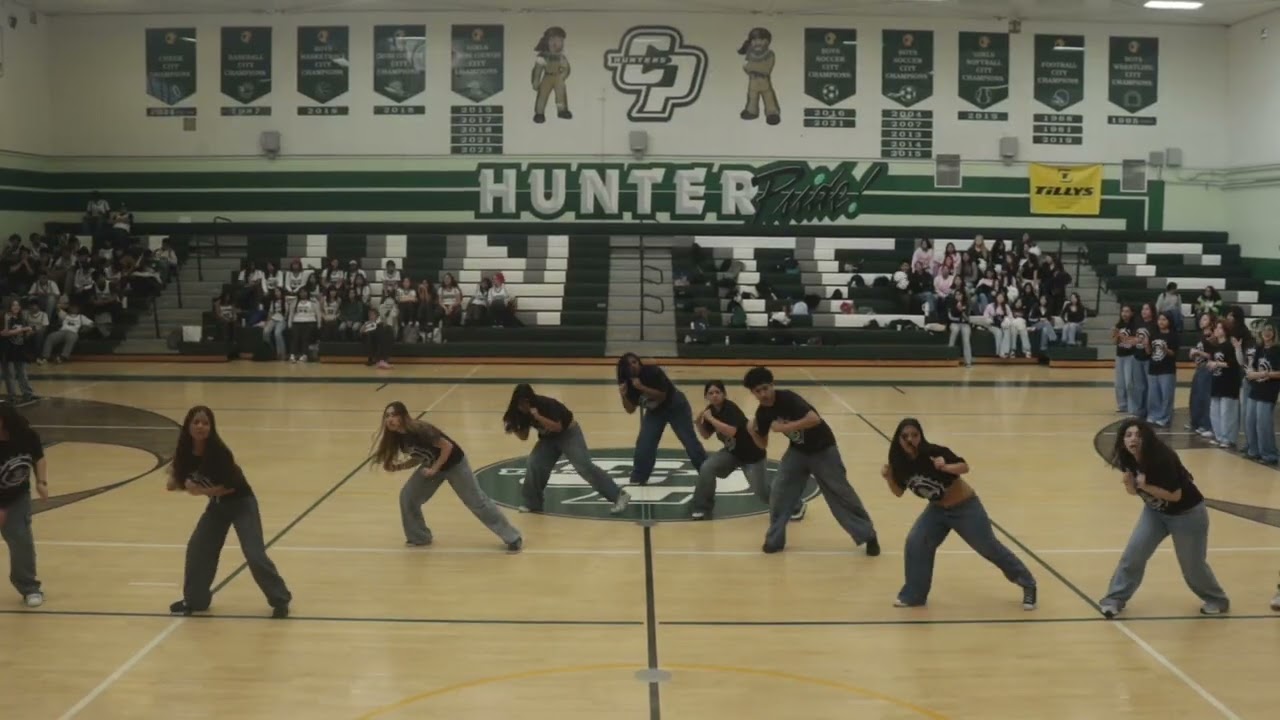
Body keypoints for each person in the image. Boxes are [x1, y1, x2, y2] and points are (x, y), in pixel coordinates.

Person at [880, 418, 1036, 609]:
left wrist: (945, 467)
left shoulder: (933, 452)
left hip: (965, 507)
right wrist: (889, 477)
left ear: (921, 436)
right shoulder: (901, 464)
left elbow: (964, 467)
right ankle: (914, 595)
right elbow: (898, 492)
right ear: (898, 439)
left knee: (988, 547)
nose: (911, 439)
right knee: (916, 542)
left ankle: (1028, 584)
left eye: (915, 435)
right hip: (937, 510)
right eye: (905, 436)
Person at [167, 406, 292, 618]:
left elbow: (229, 487)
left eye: (205, 423)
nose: (200, 426)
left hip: (241, 503)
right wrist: (183, 482)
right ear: (188, 425)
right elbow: (172, 484)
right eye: (196, 422)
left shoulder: (219, 453)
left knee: (254, 554)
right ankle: (196, 600)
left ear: (211, 427)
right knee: (197, 549)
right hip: (217, 507)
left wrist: (198, 490)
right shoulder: (184, 453)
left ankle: (280, 599)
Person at [1098, 419, 1229, 618]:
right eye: (1128, 435)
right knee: (1134, 554)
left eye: (1138, 435)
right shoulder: (1127, 457)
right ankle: (1115, 598)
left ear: (1147, 438)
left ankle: (1217, 599)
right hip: (1155, 513)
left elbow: (1176, 495)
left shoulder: (1162, 458)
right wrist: (1129, 484)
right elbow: (1134, 491)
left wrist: (1145, 486)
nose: (1133, 439)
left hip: (1188, 515)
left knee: (1192, 565)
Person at [742, 366, 879, 555]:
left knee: (840, 494)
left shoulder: (788, 398)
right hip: (798, 452)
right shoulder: (762, 413)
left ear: (772, 385)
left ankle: (868, 536)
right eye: (758, 391)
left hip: (823, 450)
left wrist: (786, 427)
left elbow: (814, 418)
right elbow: (763, 444)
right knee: (779, 492)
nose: (763, 394)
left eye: (766, 388)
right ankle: (774, 540)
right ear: (753, 393)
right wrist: (752, 431)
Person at [373, 401, 523, 553]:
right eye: (387, 416)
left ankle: (513, 537)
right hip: (432, 464)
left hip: (454, 463)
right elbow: (420, 455)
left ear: (403, 416)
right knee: (408, 496)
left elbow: (447, 446)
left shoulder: (420, 430)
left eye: (394, 415)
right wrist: (399, 467)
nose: (390, 419)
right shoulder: (399, 438)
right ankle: (419, 537)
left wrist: (434, 469)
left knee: (477, 502)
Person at [503, 383, 631, 515]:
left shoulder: (546, 404)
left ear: (530, 400)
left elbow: (558, 427)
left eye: (525, 403)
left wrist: (537, 417)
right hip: (548, 438)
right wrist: (514, 428)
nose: (522, 407)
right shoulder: (519, 411)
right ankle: (532, 503)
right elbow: (524, 436)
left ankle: (618, 495)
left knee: (584, 466)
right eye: (520, 404)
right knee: (534, 463)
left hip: (568, 434)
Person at [692, 380, 804, 522]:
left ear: (724, 394)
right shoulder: (711, 411)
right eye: (711, 393)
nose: (714, 396)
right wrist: (698, 423)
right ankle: (702, 508)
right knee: (707, 467)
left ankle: (796, 505)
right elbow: (706, 435)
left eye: (718, 392)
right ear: (706, 396)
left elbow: (732, 431)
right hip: (732, 453)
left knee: (762, 493)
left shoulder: (730, 408)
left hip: (752, 456)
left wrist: (711, 419)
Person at [616, 353, 707, 485]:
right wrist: (623, 395)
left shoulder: (653, 371)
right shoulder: (627, 383)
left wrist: (641, 387)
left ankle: (706, 471)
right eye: (629, 364)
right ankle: (639, 477)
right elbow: (630, 409)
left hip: (676, 406)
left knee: (689, 441)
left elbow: (662, 396)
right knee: (645, 444)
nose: (633, 365)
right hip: (655, 412)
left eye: (635, 362)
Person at [0, 403, 48, 607]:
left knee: (21, 542)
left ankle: (29, 587)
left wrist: (41, 482)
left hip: (18, 497)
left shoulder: (27, 436)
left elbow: (39, 457)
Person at [1243, 321, 1280, 464]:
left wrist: (1262, 374)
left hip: (1269, 391)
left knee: (1263, 423)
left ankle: (1269, 454)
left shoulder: (1277, 350)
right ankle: (1254, 451)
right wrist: (1250, 371)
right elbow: (1252, 367)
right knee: (1250, 421)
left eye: (1270, 329)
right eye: (1264, 330)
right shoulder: (1259, 348)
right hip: (1256, 389)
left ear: (1274, 333)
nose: (1267, 332)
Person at [1144, 311, 1179, 428]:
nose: (1161, 322)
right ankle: (1153, 415)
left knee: (1166, 396)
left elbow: (1174, 353)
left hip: (1167, 370)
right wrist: (1146, 345)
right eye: (1159, 319)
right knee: (1153, 395)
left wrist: (1165, 350)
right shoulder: (1153, 334)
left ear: (1169, 321)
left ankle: (1165, 417)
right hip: (1153, 368)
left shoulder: (1173, 335)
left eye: (1164, 319)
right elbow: (1149, 352)